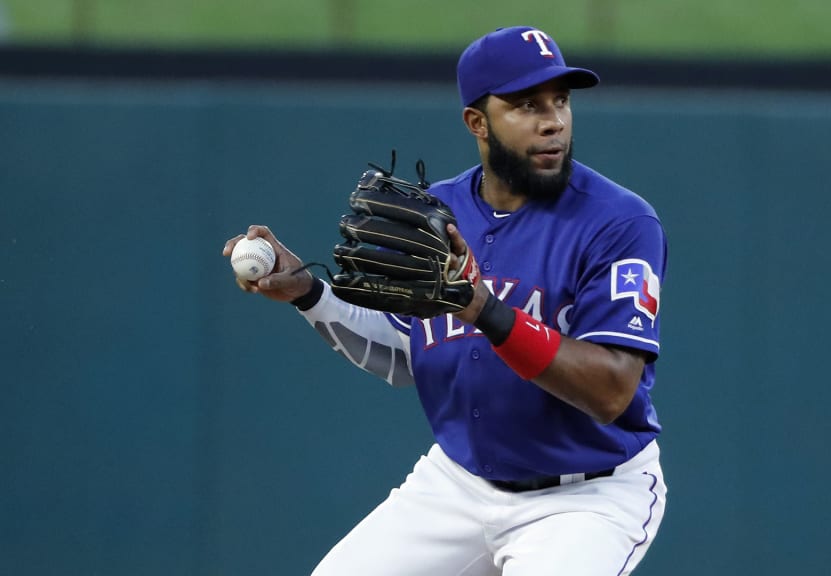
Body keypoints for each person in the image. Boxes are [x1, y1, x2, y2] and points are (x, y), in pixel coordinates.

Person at [223, 26, 668, 576]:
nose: (553, 120)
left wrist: (485, 310)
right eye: (526, 104)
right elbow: (403, 352)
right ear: (477, 123)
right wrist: (310, 293)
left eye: (560, 100)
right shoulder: (438, 214)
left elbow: (611, 392)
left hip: (585, 499)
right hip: (458, 484)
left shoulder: (618, 222)